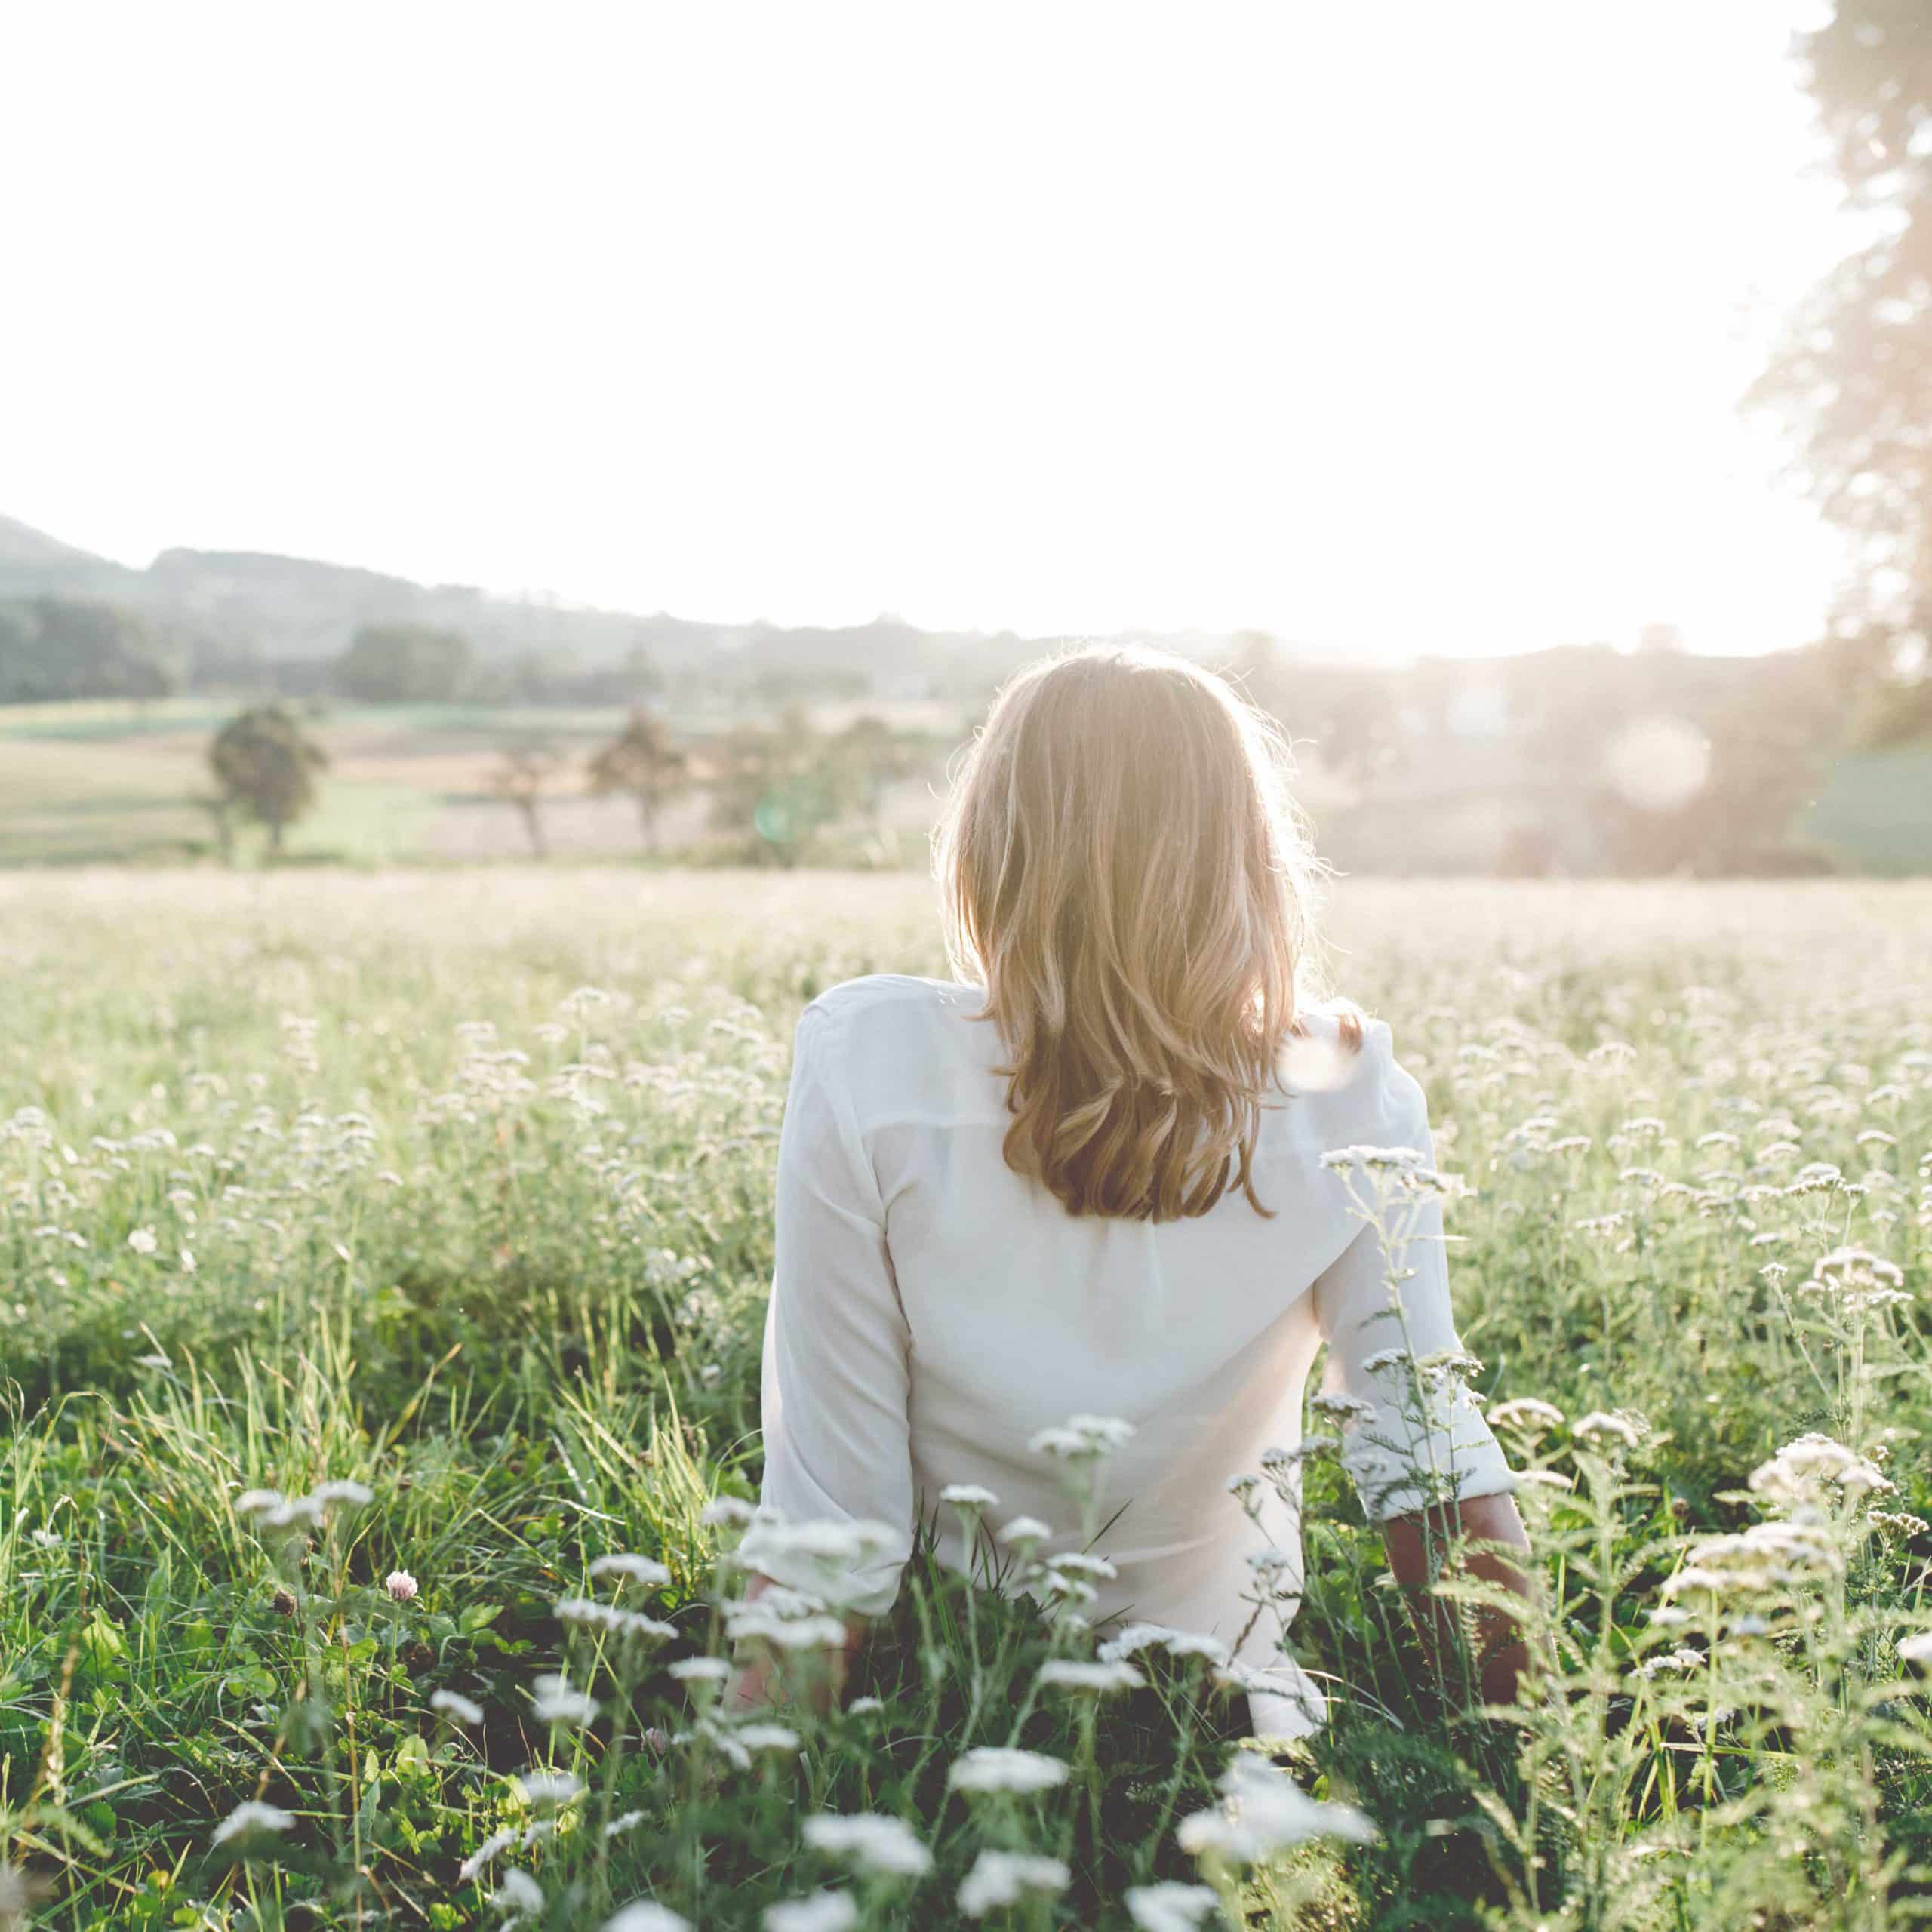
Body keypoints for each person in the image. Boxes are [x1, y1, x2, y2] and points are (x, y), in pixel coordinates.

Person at [731, 644, 1531, 1737]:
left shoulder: (871, 1061)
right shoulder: (1349, 1090)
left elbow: (830, 1520)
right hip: (1218, 1712)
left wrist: (736, 1780)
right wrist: (1527, 1776)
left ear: (993, 848)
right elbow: (1429, 1466)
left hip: (941, 1704)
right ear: (1246, 858)